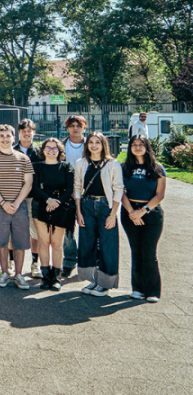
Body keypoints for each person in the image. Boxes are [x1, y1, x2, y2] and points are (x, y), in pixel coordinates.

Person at [74, 132, 124, 297]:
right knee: (88, 243)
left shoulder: (112, 164)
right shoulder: (81, 163)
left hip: (105, 207)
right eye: (91, 142)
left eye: (98, 142)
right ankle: (94, 279)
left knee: (107, 244)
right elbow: (77, 188)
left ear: (104, 145)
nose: (94, 145)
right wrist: (79, 211)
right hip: (87, 205)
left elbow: (118, 190)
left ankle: (106, 283)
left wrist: (113, 214)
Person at [0, 124, 34, 289]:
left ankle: (19, 275)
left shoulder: (24, 158)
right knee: (1, 241)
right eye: (2, 136)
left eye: (8, 136)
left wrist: (17, 203)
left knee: (20, 241)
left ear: (14, 137)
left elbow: (28, 183)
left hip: (19, 206)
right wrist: (3, 203)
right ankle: (5, 273)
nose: (5, 139)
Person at [121, 135, 166, 303]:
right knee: (136, 251)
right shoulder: (124, 167)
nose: (137, 147)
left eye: (141, 144)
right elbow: (121, 192)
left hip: (151, 213)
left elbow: (160, 194)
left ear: (147, 147)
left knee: (149, 252)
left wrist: (143, 211)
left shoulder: (157, 168)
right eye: (134, 144)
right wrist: (132, 211)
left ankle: (152, 291)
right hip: (129, 212)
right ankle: (137, 288)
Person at [30, 138, 74, 291]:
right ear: (42, 150)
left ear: (60, 151)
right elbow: (34, 188)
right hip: (40, 206)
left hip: (61, 208)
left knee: (57, 244)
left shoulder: (66, 166)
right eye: (48, 148)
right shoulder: (36, 166)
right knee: (43, 242)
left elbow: (69, 189)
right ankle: (45, 276)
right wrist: (48, 200)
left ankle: (56, 277)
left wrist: (57, 202)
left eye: (55, 148)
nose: (51, 151)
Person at [15, 118, 43, 278]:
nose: (26, 133)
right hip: (15, 196)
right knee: (14, 232)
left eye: (29, 130)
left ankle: (35, 264)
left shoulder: (39, 153)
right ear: (19, 133)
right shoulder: (12, 151)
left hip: (34, 197)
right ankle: (12, 262)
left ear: (33, 132)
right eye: (23, 130)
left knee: (35, 233)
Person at [61, 114, 87, 278]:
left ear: (84, 127)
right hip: (67, 193)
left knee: (88, 229)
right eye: (72, 125)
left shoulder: (91, 144)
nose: (75, 128)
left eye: (79, 125)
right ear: (67, 128)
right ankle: (70, 260)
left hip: (88, 193)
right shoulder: (61, 146)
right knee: (67, 231)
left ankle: (88, 262)